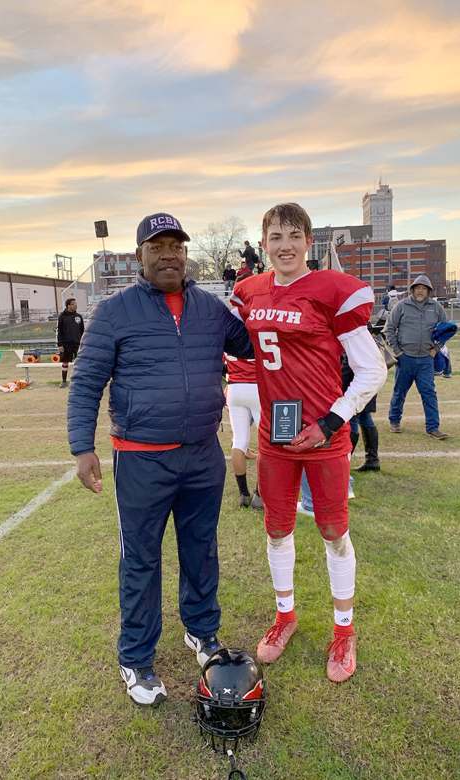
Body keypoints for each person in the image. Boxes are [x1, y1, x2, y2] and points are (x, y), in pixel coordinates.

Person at [67, 212, 256, 706]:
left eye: (176, 246)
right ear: (139, 257)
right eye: (157, 247)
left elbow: (254, 343)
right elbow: (86, 381)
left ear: (186, 254)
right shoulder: (113, 312)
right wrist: (81, 447)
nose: (168, 254)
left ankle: (201, 631)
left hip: (201, 455)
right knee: (141, 561)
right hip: (141, 460)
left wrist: (269, 297)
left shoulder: (210, 310)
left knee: (201, 547)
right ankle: (136, 659)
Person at [230, 202, 387, 683]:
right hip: (275, 435)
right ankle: (285, 617)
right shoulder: (249, 292)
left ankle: (344, 629)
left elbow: (372, 370)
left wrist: (329, 421)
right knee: (276, 531)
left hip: (322, 436)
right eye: (275, 236)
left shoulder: (328, 290)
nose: (285, 245)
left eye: (294, 235)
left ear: (309, 242)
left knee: (334, 533)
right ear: (263, 244)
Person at [385, 274, 450, 439]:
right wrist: (397, 351)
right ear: (412, 289)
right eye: (418, 288)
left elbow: (446, 330)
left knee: (429, 393)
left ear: (429, 291)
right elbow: (389, 329)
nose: (420, 291)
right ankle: (394, 421)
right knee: (399, 392)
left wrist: (435, 349)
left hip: (426, 360)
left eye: (424, 288)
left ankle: (433, 427)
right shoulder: (401, 306)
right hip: (405, 358)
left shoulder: (436, 308)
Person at [223, 346, 264, 509]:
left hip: (235, 387)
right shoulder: (256, 326)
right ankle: (259, 494)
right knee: (265, 443)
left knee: (238, 441)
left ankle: (243, 493)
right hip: (258, 387)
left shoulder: (229, 328)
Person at [56, 298, 84, 388]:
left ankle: (80, 381)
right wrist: (60, 344)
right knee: (65, 362)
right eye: (73, 304)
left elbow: (82, 331)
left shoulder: (79, 316)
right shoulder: (62, 317)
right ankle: (64, 381)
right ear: (68, 305)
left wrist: (83, 342)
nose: (75, 305)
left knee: (80, 362)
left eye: (76, 303)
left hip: (78, 344)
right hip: (66, 344)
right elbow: (59, 331)